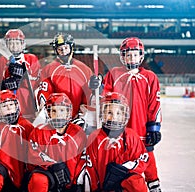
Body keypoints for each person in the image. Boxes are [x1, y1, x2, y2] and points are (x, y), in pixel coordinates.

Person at [94, 37, 162, 191]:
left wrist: (154, 128)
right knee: (121, 150)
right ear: (122, 56)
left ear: (141, 56)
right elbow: (105, 97)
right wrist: (97, 87)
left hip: (140, 123)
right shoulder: (114, 73)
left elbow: (154, 104)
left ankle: (153, 183)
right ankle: (120, 180)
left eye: (135, 54)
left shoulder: (150, 77)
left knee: (147, 151)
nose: (132, 58)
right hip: (118, 122)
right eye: (128, 54)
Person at [86, 92, 149, 192]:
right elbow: (90, 168)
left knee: (138, 184)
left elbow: (143, 159)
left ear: (124, 115)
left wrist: (122, 170)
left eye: (118, 113)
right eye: (109, 113)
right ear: (102, 113)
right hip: (103, 186)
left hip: (124, 183)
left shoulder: (131, 136)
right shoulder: (94, 137)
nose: (114, 117)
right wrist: (95, 188)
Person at [27, 93, 86, 192]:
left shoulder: (78, 133)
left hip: (71, 180)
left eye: (62, 110)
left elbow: (83, 158)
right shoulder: (39, 131)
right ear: (48, 113)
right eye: (54, 111)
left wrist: (76, 181)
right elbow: (33, 154)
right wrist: (52, 165)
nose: (58, 115)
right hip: (49, 175)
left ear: (68, 112)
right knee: (38, 180)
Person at [37, 33, 93, 120]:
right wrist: (45, 112)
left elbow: (89, 94)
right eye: (60, 49)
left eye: (66, 48)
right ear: (56, 50)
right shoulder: (48, 70)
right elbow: (44, 94)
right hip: (57, 117)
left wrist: (85, 111)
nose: (63, 51)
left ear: (71, 47)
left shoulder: (84, 69)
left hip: (79, 117)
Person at [0, 29, 41, 121]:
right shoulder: (2, 61)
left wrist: (21, 81)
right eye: (11, 43)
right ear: (7, 45)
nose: (14, 46)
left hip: (28, 105)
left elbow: (38, 81)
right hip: (9, 108)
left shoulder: (31, 59)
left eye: (17, 43)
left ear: (22, 44)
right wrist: (3, 92)